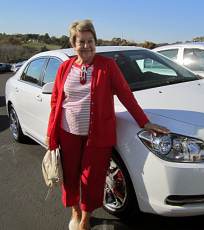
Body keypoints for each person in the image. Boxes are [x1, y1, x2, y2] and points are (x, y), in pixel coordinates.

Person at [45, 19, 170, 230]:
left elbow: (125, 94)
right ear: (73, 44)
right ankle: (74, 211)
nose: (86, 46)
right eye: (81, 41)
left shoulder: (107, 65)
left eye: (90, 41)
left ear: (96, 42)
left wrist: (144, 122)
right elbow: (56, 101)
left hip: (99, 134)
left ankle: (85, 218)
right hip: (68, 132)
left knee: (93, 180)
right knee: (70, 176)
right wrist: (51, 133)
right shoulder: (65, 68)